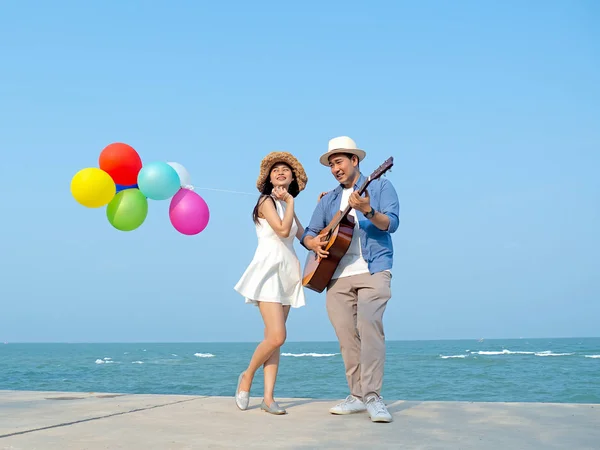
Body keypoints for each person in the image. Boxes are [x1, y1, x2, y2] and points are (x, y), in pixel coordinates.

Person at [301, 136, 399, 423]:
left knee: (370, 329)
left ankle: (373, 397)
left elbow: (391, 223)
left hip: (373, 269)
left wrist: (367, 210)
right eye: (331, 164)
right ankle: (356, 396)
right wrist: (313, 244)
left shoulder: (380, 185)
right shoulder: (328, 198)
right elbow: (309, 231)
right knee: (346, 336)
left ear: (355, 161)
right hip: (335, 274)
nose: (335, 169)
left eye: (339, 162)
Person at [233, 151, 308, 415]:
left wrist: (323, 238)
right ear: (268, 177)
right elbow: (283, 230)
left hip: (288, 273)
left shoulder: (288, 206)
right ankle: (247, 376)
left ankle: (268, 398)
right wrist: (291, 204)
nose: (280, 172)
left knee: (274, 340)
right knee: (278, 336)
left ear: (292, 178)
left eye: (285, 170)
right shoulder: (266, 201)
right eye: (275, 169)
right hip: (268, 273)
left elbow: (305, 238)